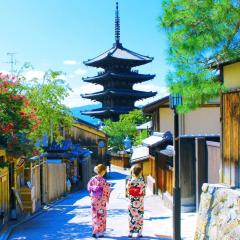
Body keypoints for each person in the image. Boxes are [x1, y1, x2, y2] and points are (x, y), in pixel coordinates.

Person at [87, 164, 111, 238]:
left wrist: (94, 189)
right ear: (103, 171)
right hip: (101, 200)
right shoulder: (104, 181)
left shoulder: (92, 179)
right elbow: (107, 190)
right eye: (105, 171)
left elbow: (89, 188)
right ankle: (100, 232)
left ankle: (94, 232)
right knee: (101, 215)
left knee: (95, 215)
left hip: (94, 200)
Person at [126, 164, 145, 238]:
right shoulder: (141, 181)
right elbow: (143, 191)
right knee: (139, 216)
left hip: (132, 201)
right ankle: (139, 233)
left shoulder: (130, 181)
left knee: (131, 216)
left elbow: (127, 191)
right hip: (140, 202)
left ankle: (130, 232)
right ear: (140, 172)